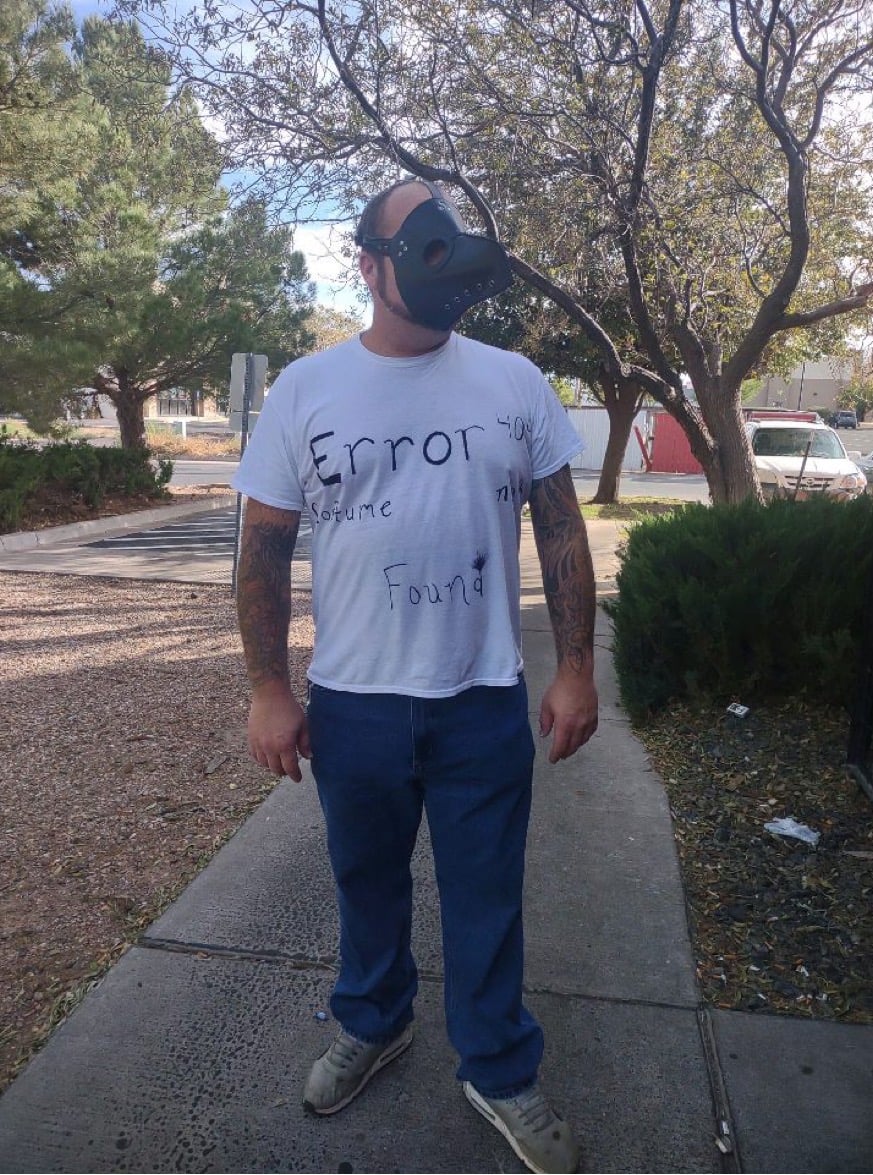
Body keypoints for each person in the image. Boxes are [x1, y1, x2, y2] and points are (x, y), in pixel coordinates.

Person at [233, 177, 599, 1175]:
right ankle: (374, 1019)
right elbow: (262, 549)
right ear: (368, 263)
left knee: (487, 896)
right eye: (420, 243)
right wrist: (269, 687)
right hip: (354, 701)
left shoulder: (513, 381)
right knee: (365, 883)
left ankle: (498, 1066)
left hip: (480, 696)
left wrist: (575, 666)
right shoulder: (305, 389)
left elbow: (560, 527)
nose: (445, 260)